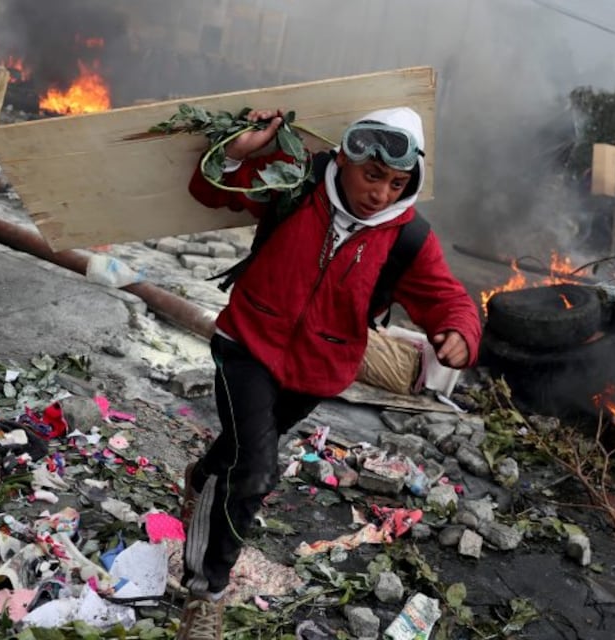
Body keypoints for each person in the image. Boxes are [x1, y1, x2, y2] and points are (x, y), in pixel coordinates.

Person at [175, 107, 481, 639]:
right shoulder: (294, 181)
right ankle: (206, 595)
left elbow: (448, 298)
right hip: (247, 341)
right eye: (373, 175)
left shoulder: (407, 238)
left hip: (317, 371)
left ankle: (201, 480)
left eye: (397, 183)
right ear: (344, 157)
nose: (381, 193)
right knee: (256, 469)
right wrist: (236, 151)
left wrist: (461, 333)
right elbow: (212, 192)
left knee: (242, 450)